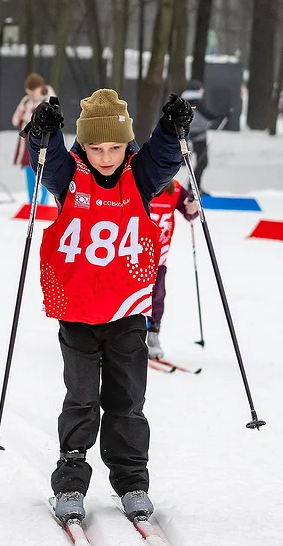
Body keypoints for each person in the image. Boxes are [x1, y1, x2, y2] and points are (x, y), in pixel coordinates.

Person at [26, 88, 193, 523]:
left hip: (127, 312)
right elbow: (47, 160)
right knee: (81, 399)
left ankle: (132, 480)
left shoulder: (138, 176)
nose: (106, 157)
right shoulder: (70, 175)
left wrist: (172, 131)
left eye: (115, 147)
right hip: (78, 311)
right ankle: (70, 481)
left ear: (126, 145)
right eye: (96, 148)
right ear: (84, 145)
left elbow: (161, 158)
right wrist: (42, 135)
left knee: (127, 400)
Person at [146, 180, 200, 360]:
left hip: (159, 256)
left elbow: (190, 213)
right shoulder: (137, 182)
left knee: (158, 296)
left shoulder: (174, 188)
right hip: (132, 255)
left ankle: (153, 337)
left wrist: (192, 205)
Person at [12, 73, 56, 205]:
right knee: (29, 171)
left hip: (44, 142)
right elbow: (15, 121)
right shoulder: (26, 101)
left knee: (43, 172)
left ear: (40, 88)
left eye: (34, 92)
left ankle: (43, 202)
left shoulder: (50, 99)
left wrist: (30, 116)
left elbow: (52, 117)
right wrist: (21, 112)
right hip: (27, 142)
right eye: (29, 92)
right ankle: (32, 202)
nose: (32, 95)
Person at [181, 80, 229, 191]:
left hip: (186, 135)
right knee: (202, 161)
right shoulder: (197, 103)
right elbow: (209, 116)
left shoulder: (183, 103)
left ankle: (193, 185)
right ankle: (194, 186)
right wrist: (223, 115)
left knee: (193, 162)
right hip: (199, 135)